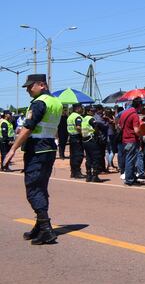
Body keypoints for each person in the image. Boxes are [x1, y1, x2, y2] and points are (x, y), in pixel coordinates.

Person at [2, 74, 63, 244]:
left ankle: (46, 229)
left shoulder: (39, 102)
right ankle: (39, 225)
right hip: (49, 148)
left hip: (36, 150)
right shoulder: (56, 102)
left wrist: (12, 150)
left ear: (42, 85)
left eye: (30, 86)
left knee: (33, 189)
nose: (28, 90)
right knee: (41, 188)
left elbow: (28, 128)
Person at [120, 97, 145, 186]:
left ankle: (131, 177)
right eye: (142, 105)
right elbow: (136, 130)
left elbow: (119, 125)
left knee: (129, 159)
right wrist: (142, 136)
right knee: (130, 160)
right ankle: (129, 179)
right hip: (131, 140)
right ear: (139, 105)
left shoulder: (125, 113)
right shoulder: (134, 114)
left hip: (125, 139)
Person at [81, 105, 105, 183]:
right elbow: (96, 127)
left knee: (88, 158)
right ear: (88, 111)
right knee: (96, 157)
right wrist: (99, 134)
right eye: (92, 111)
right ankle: (95, 176)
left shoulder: (83, 119)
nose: (93, 112)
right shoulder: (91, 119)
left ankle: (88, 175)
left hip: (85, 140)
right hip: (91, 140)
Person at [66, 103, 85, 179]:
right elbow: (78, 127)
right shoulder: (78, 117)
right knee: (79, 155)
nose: (82, 109)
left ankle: (73, 172)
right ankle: (77, 172)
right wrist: (83, 133)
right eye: (81, 108)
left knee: (73, 156)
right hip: (77, 137)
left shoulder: (70, 117)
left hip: (72, 137)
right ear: (77, 108)